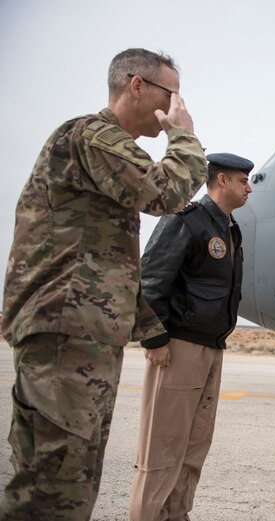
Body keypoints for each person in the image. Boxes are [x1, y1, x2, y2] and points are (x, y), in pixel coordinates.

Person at [0, 48, 207, 520]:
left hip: (82, 334)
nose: (178, 105)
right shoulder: (91, 136)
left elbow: (104, 261)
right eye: (170, 93)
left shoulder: (106, 152)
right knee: (55, 486)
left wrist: (147, 324)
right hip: (66, 334)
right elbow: (166, 192)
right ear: (137, 86)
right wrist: (183, 137)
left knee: (69, 478)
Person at [128, 152, 253, 520]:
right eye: (242, 181)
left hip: (212, 348)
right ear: (221, 181)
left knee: (194, 446)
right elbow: (149, 282)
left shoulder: (228, 228)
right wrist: (154, 339)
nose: (249, 187)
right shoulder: (186, 222)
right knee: (161, 449)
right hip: (178, 348)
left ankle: (176, 514)